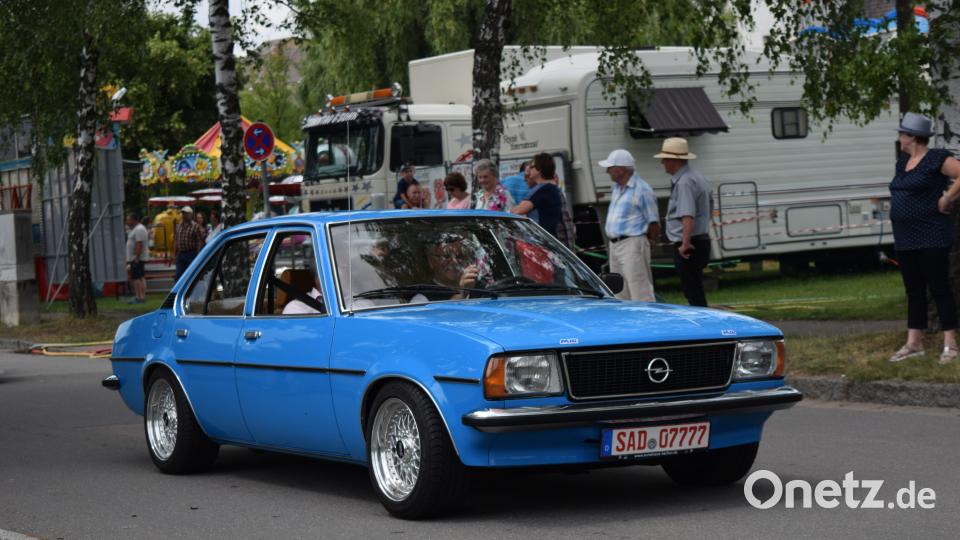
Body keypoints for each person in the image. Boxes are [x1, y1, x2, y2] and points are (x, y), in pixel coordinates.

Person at [887, 112, 960, 364]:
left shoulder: (936, 159)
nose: (899, 138)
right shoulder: (902, 163)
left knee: (939, 288)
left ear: (912, 137)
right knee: (914, 290)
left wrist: (947, 197)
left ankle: (951, 344)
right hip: (905, 237)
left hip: (931, 234)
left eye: (902, 133)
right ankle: (914, 343)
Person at [600, 149, 660, 302]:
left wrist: (650, 241)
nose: (607, 171)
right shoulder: (617, 188)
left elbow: (653, 222)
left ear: (620, 169)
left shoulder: (642, 189)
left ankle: (646, 315)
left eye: (610, 168)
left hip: (632, 243)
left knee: (639, 288)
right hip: (616, 244)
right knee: (619, 289)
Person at [657, 137, 711, 307]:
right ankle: (703, 319)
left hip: (689, 244)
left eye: (665, 159)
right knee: (695, 288)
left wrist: (685, 243)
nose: (662, 163)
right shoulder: (697, 177)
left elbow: (687, 215)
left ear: (675, 160)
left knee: (692, 290)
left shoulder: (684, 183)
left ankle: (702, 321)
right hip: (700, 239)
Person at [512, 153, 562, 237]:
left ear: (539, 170)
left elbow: (518, 211)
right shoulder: (552, 188)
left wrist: (510, 210)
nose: (529, 170)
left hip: (540, 238)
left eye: (531, 167)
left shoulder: (542, 189)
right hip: (550, 237)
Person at [173, 206, 206, 281]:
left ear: (191, 214)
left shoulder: (196, 226)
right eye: (183, 213)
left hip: (191, 253)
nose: (184, 215)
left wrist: (198, 254)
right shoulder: (178, 226)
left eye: (186, 213)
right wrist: (174, 255)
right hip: (180, 254)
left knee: (191, 275)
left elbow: (200, 241)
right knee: (178, 276)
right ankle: (179, 288)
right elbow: (176, 240)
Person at [125, 212, 149, 304]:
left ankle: (140, 297)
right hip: (134, 258)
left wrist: (137, 258)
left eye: (128, 219)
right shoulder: (135, 229)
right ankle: (140, 297)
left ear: (133, 220)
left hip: (137, 258)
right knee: (139, 277)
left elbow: (139, 244)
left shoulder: (139, 229)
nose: (127, 222)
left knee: (137, 278)